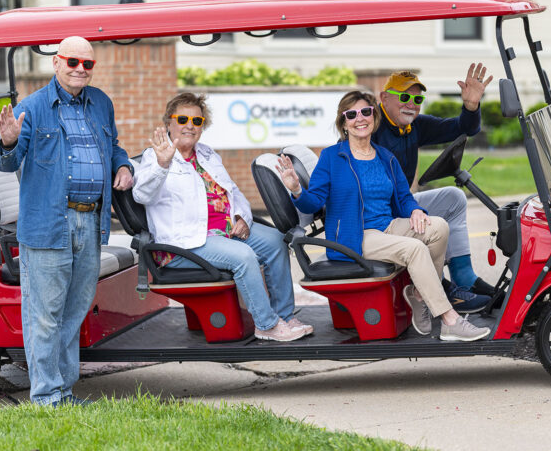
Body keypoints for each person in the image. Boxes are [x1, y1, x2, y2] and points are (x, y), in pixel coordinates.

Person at [277, 91, 490, 342]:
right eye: (352, 114)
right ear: (343, 122)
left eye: (366, 112)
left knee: (439, 227)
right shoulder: (333, 157)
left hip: (387, 227)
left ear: (374, 117)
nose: (360, 118)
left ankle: (421, 296)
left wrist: (415, 211)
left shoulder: (385, 157)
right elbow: (314, 202)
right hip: (354, 237)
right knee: (414, 249)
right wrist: (296, 189)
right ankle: (449, 320)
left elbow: (403, 197)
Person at [0, 36, 134, 407]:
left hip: (91, 222)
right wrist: (7, 143)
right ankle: (45, 396)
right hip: (48, 224)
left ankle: (63, 391)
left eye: (87, 64)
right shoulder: (33, 107)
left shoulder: (101, 102)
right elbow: (6, 162)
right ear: (56, 63)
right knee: (44, 315)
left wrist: (122, 163)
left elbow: (113, 144)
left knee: (73, 312)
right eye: (72, 62)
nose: (80, 70)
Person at [132, 93, 311, 343]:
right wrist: (163, 164)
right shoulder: (155, 157)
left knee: (275, 241)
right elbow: (141, 195)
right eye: (182, 119)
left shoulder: (207, 154)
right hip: (185, 243)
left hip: (224, 231)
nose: (190, 125)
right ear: (168, 124)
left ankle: (284, 315)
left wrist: (242, 218)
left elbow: (234, 192)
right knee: (244, 257)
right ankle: (266, 324)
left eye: (197, 121)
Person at [372, 67, 498, 308]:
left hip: (401, 205)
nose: (412, 104)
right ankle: (440, 288)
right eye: (405, 96)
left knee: (454, 197)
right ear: (384, 98)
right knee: (431, 224)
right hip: (379, 218)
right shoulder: (371, 128)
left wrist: (471, 107)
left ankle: (464, 278)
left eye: (418, 99)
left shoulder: (414, 125)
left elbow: (463, 127)